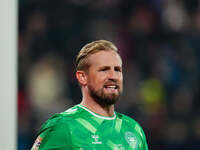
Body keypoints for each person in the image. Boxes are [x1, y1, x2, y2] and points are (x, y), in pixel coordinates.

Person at [31, 40, 149, 150]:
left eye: (117, 69)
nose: (113, 76)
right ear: (82, 77)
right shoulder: (64, 127)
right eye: (104, 70)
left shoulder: (133, 129)